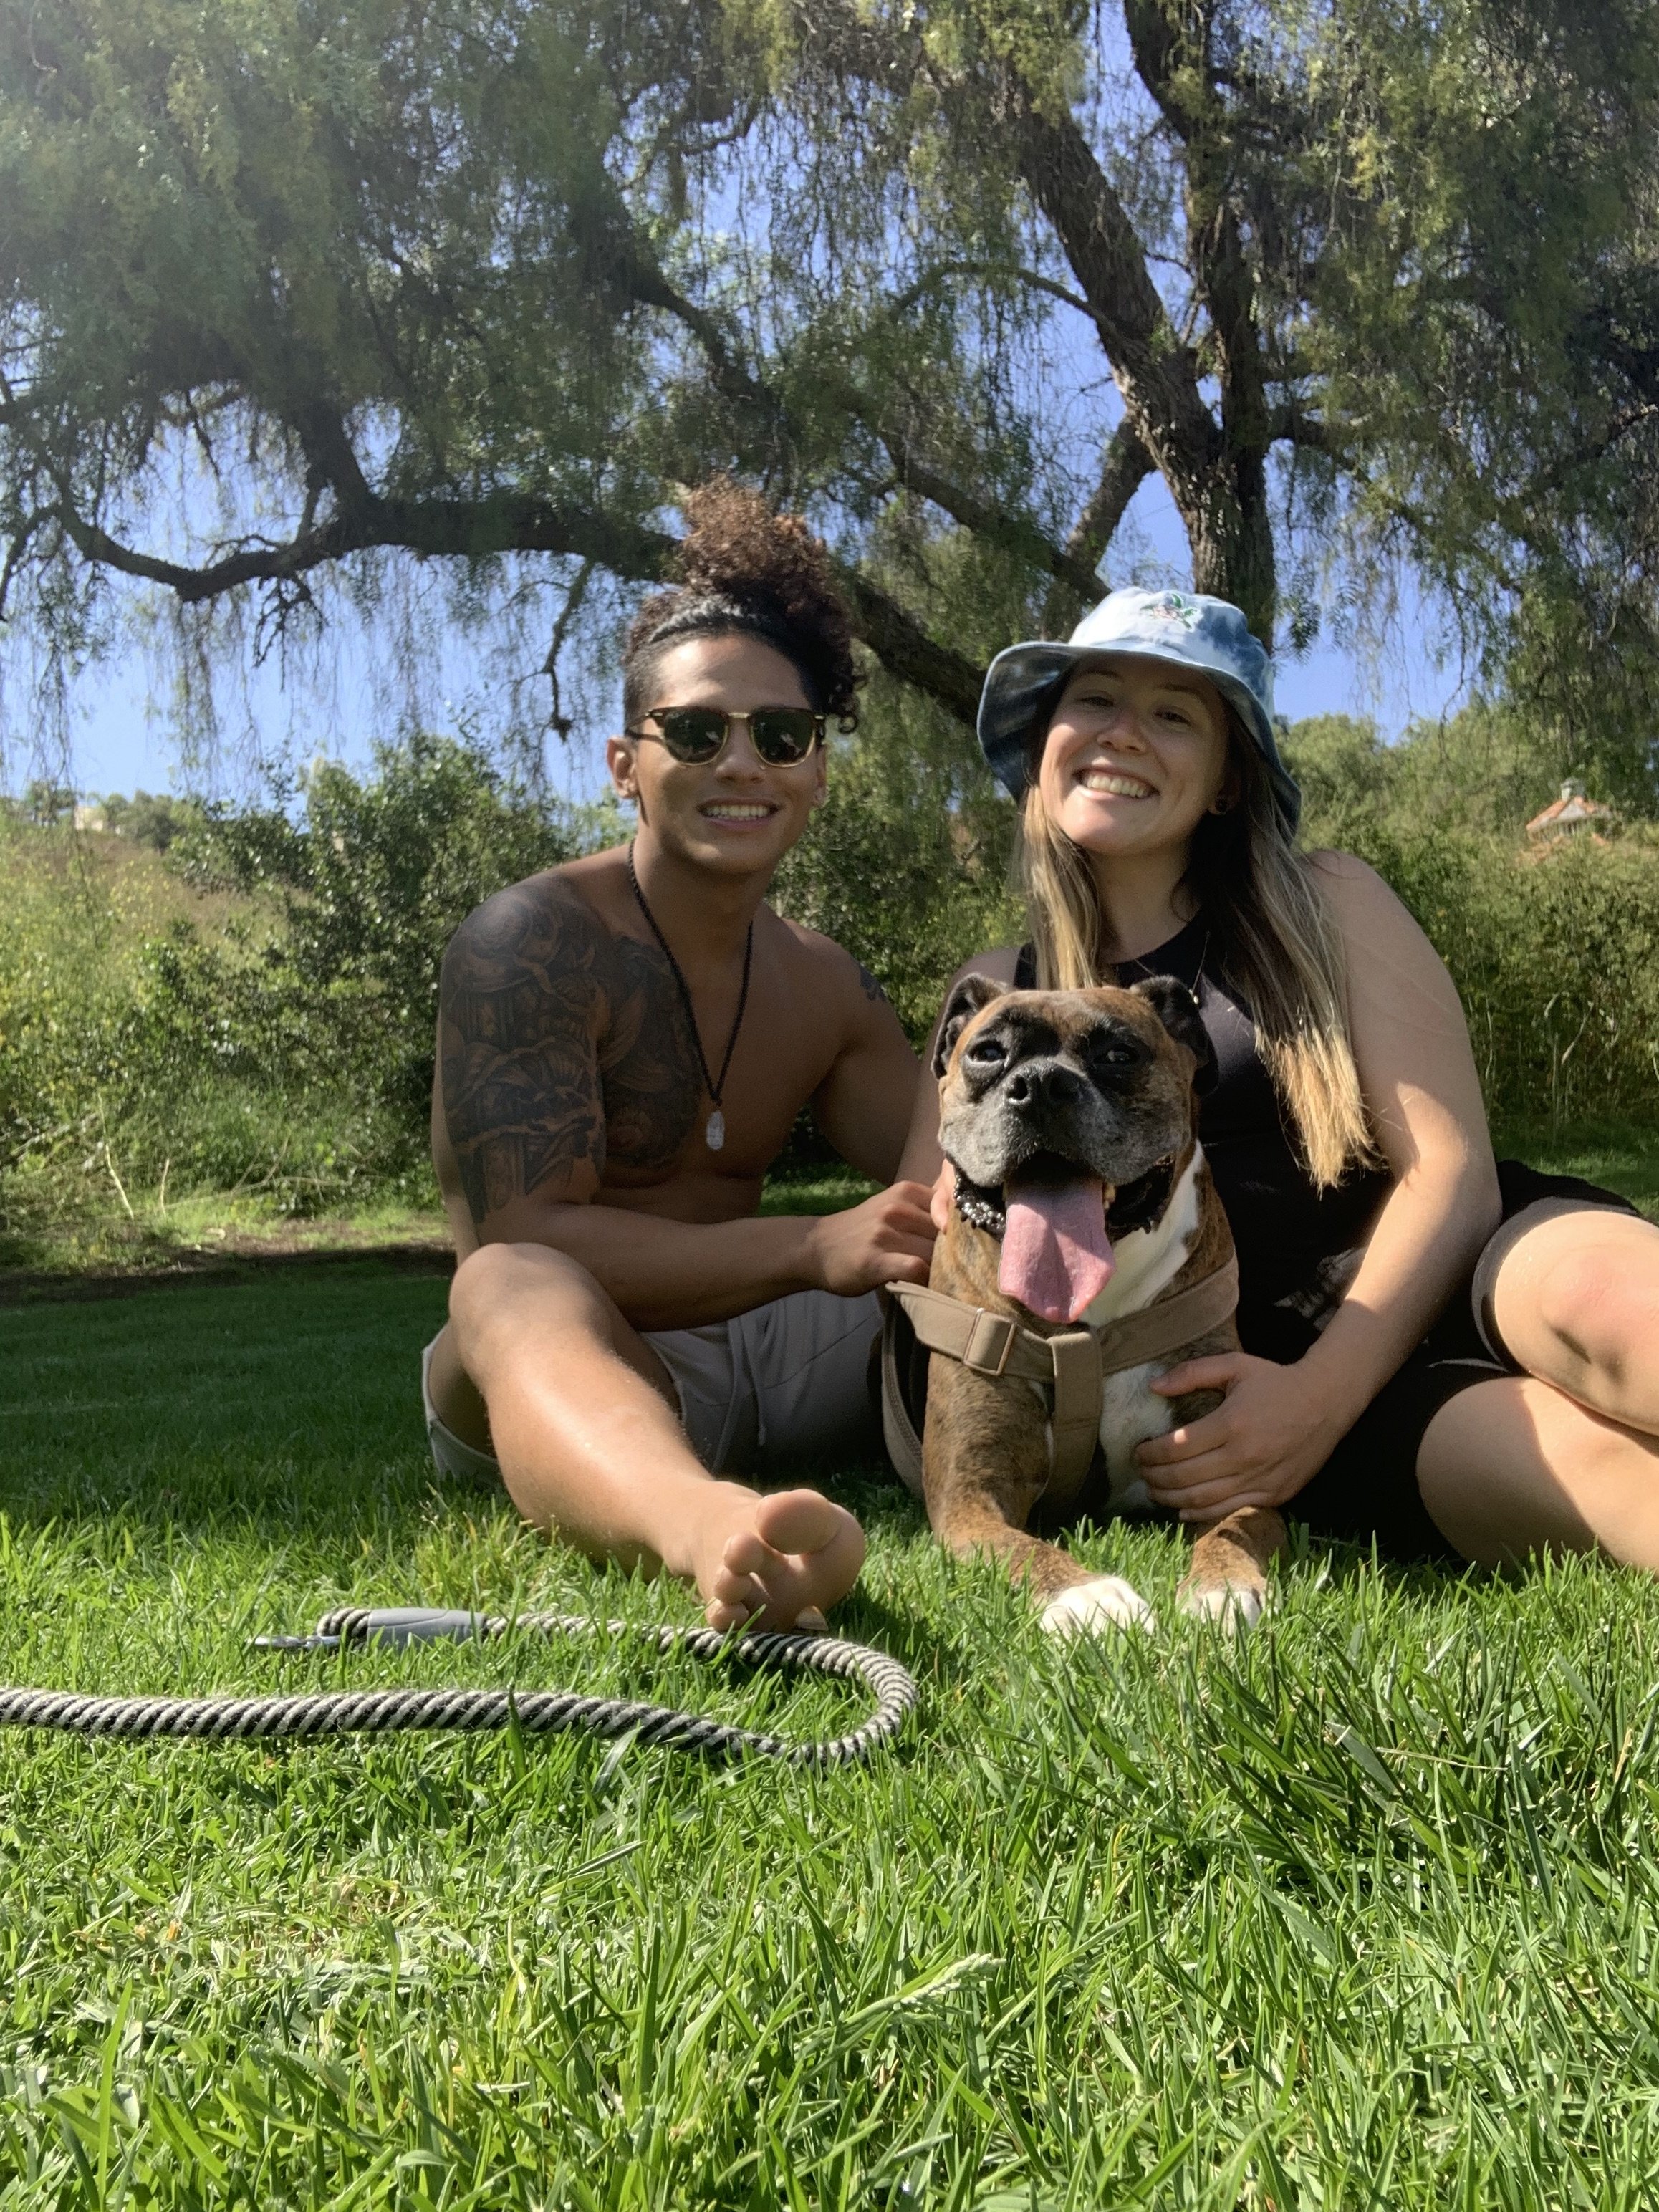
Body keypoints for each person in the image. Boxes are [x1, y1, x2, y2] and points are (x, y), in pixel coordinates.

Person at [903, 585, 1659, 1569]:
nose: (1123, 734)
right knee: (1608, 1487)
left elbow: (1453, 1172)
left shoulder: (1325, 901)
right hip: (1270, 1369)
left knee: (1617, 1312)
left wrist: (1320, 1399)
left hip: (1459, 1266)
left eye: (1173, 715)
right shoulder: (995, 999)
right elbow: (933, 1211)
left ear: (1227, 779)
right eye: (1093, 700)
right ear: (1044, 745)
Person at [424, 485, 937, 1630]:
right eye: (699, 733)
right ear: (625, 762)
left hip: (791, 1362)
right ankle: (709, 1529)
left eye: (782, 737)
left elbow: (950, 1181)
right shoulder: (534, 943)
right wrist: (812, 1244)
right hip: (587, 1374)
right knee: (500, 1281)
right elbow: (532, 1233)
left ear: (816, 767)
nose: (742, 764)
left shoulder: (824, 984)